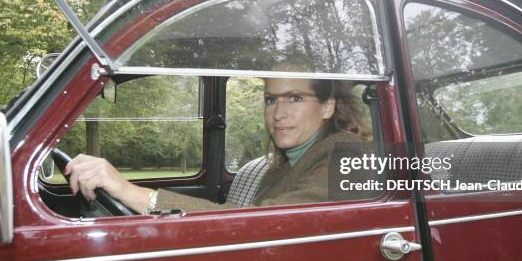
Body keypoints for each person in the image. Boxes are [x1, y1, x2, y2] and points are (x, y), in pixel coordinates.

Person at [64, 77, 372, 214]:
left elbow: (263, 224)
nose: (278, 113)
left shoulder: (350, 156)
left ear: (328, 107)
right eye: (270, 99)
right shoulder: (281, 164)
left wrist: (130, 192)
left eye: (294, 97)